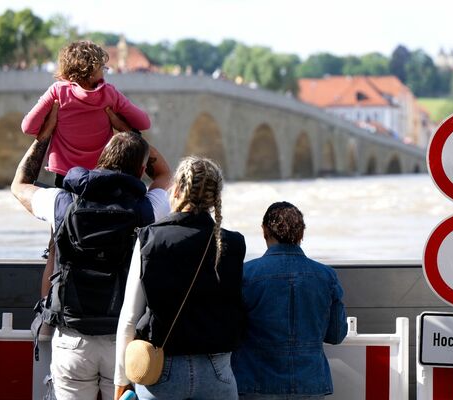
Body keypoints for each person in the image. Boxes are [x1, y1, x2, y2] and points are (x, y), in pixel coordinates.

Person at [11, 128, 172, 400]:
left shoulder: (63, 203)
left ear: (101, 158)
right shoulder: (148, 209)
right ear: (141, 168)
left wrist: (44, 137)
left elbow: (20, 184)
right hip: (123, 339)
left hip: (73, 337)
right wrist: (126, 128)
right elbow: (165, 174)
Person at [115, 157, 246, 400]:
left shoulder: (150, 238)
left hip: (161, 369)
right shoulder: (234, 243)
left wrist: (121, 381)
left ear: (176, 188)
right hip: (216, 370)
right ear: (215, 195)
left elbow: (129, 318)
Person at [232, 202, 348, 400]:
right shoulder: (326, 276)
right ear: (301, 233)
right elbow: (336, 335)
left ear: (264, 230)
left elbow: (231, 333)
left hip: (255, 383)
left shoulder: (245, 275)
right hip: (310, 384)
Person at [21, 40, 151, 187]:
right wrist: (119, 121)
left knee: (67, 209)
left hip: (65, 174)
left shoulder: (58, 92)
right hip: (100, 173)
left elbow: (28, 127)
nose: (105, 71)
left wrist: (50, 125)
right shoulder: (109, 94)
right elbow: (144, 123)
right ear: (93, 70)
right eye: (103, 67)